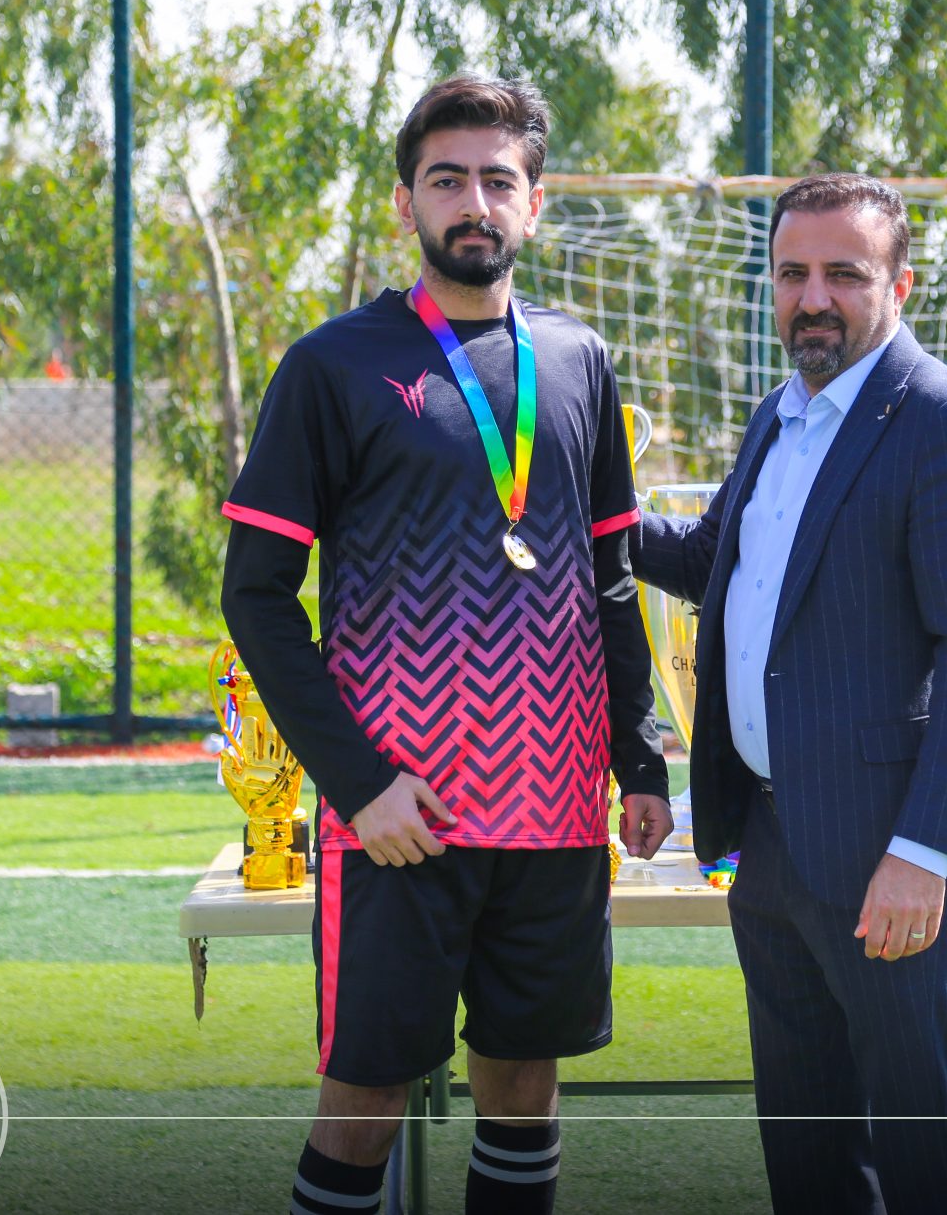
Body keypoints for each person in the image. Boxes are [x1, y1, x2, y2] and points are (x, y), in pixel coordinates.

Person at [217, 73, 672, 1215]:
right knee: (364, 1100)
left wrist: (640, 759)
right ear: (406, 201)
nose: (474, 202)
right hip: (400, 815)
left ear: (534, 203)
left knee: (524, 1090)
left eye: (497, 181)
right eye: (447, 180)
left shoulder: (578, 359)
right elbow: (256, 596)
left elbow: (611, 577)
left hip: (556, 810)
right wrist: (358, 784)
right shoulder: (333, 364)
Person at [632, 173, 947, 1215]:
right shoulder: (779, 414)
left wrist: (921, 853)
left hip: (889, 860)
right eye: (792, 274)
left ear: (901, 284)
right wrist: (591, 511)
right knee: (810, 1169)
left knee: (928, 1172)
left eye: (843, 274)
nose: (813, 299)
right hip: (768, 853)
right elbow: (713, 558)